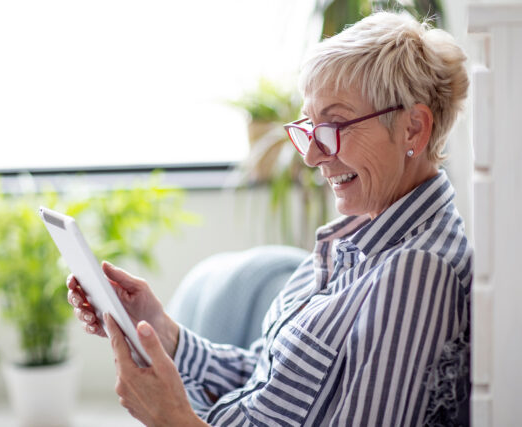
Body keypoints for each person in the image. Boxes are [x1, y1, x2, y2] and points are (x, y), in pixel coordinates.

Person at [67, 11, 472, 426]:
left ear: (413, 129)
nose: (312, 156)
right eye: (310, 129)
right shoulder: (354, 241)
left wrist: (172, 418)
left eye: (334, 126)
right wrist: (161, 331)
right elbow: (271, 384)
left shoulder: (419, 271)